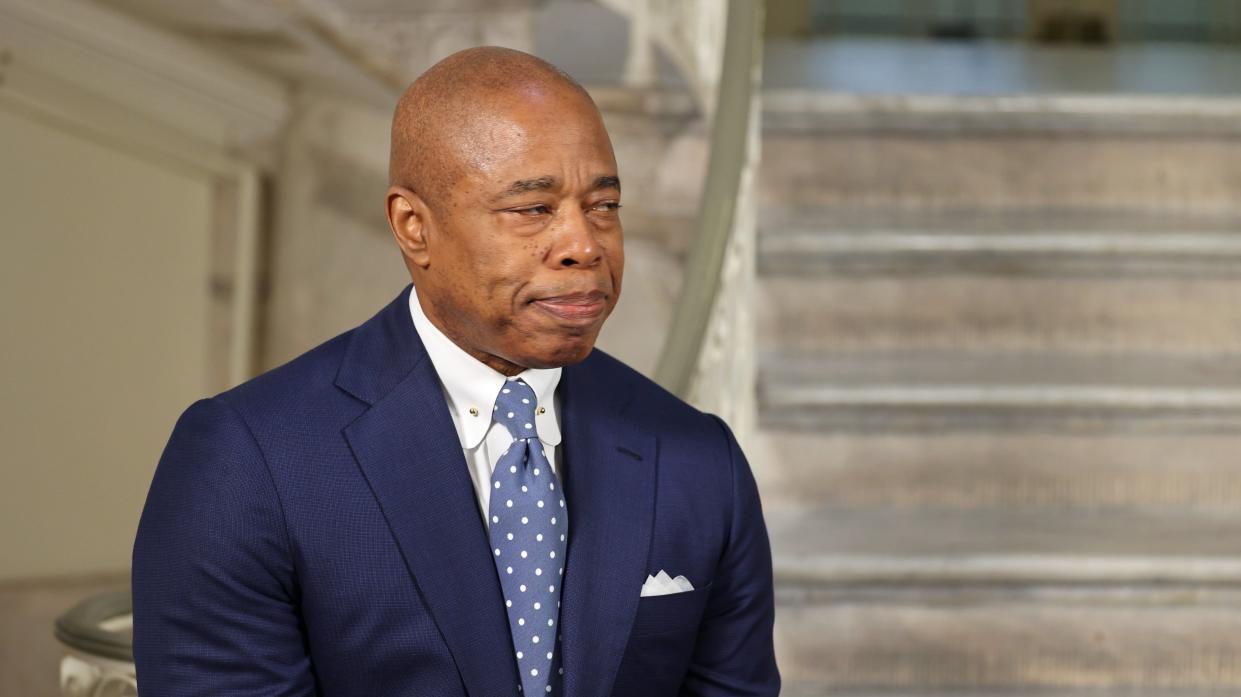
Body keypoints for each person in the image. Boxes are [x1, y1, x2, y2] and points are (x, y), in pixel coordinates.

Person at [132, 46, 779, 697]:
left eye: (603, 206)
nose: (584, 244)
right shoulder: (250, 458)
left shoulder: (699, 459)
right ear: (414, 227)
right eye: (533, 209)